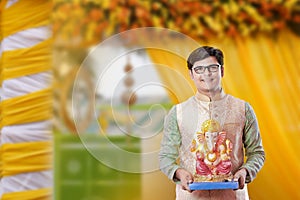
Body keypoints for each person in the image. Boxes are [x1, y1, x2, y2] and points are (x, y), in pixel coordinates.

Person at [159, 46, 265, 199]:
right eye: (199, 69)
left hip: (232, 195)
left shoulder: (243, 109)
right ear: (191, 74)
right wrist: (178, 173)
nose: (206, 74)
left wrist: (245, 171)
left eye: (212, 68)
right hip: (191, 196)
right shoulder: (178, 113)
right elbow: (165, 156)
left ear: (222, 71)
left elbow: (257, 152)